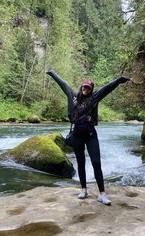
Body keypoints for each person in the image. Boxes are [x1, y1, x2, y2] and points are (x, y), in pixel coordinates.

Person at [46, 69, 131, 205]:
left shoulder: (95, 97)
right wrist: (52, 73)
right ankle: (84, 189)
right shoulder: (73, 95)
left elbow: (107, 89)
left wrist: (119, 80)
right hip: (77, 136)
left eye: (88, 87)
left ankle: (102, 194)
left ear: (91, 89)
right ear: (81, 86)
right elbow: (62, 83)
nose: (85, 89)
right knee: (81, 163)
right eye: (84, 86)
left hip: (91, 135)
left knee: (96, 163)